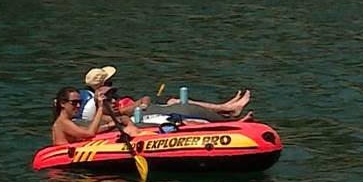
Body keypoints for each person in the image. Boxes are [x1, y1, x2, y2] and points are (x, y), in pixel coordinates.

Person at [78, 65, 252, 122]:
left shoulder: (110, 97)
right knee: (177, 106)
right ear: (102, 85)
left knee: (174, 100)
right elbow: (117, 116)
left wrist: (142, 104)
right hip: (142, 118)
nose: (112, 85)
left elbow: (145, 98)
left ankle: (226, 109)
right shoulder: (99, 104)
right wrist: (135, 107)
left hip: (145, 110)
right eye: (109, 82)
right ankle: (228, 112)